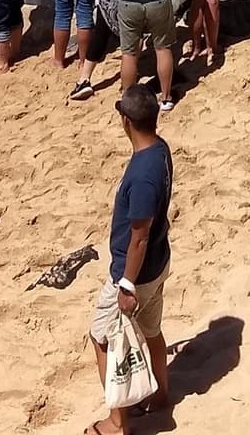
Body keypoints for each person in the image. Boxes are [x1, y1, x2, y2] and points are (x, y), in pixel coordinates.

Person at [86, 85, 175, 435]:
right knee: (151, 330)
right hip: (159, 262)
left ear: (126, 121)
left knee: (102, 338)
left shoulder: (140, 176)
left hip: (135, 272)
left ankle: (118, 422)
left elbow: (138, 237)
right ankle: (160, 395)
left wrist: (125, 284)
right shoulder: (160, 149)